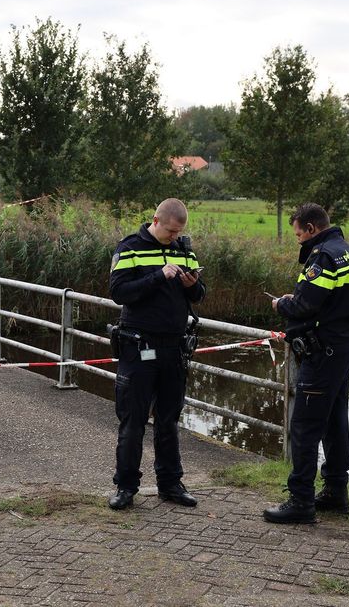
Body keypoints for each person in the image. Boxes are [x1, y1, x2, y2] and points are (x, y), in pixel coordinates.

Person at [263, 203, 349, 524]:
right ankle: (336, 491)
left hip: (323, 353)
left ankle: (301, 500)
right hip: (345, 347)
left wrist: (282, 303)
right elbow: (338, 301)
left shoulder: (322, 257)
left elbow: (307, 304)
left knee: (305, 425)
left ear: (311, 228)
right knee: (335, 421)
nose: (297, 240)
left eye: (298, 234)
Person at [107, 198, 206, 510]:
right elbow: (118, 292)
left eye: (179, 233)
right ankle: (125, 487)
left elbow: (200, 295)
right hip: (139, 346)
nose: (175, 237)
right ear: (156, 220)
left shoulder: (184, 250)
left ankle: (170, 484)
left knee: (168, 420)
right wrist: (158, 276)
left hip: (174, 347)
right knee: (133, 420)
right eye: (171, 232)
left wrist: (193, 285)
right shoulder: (130, 247)